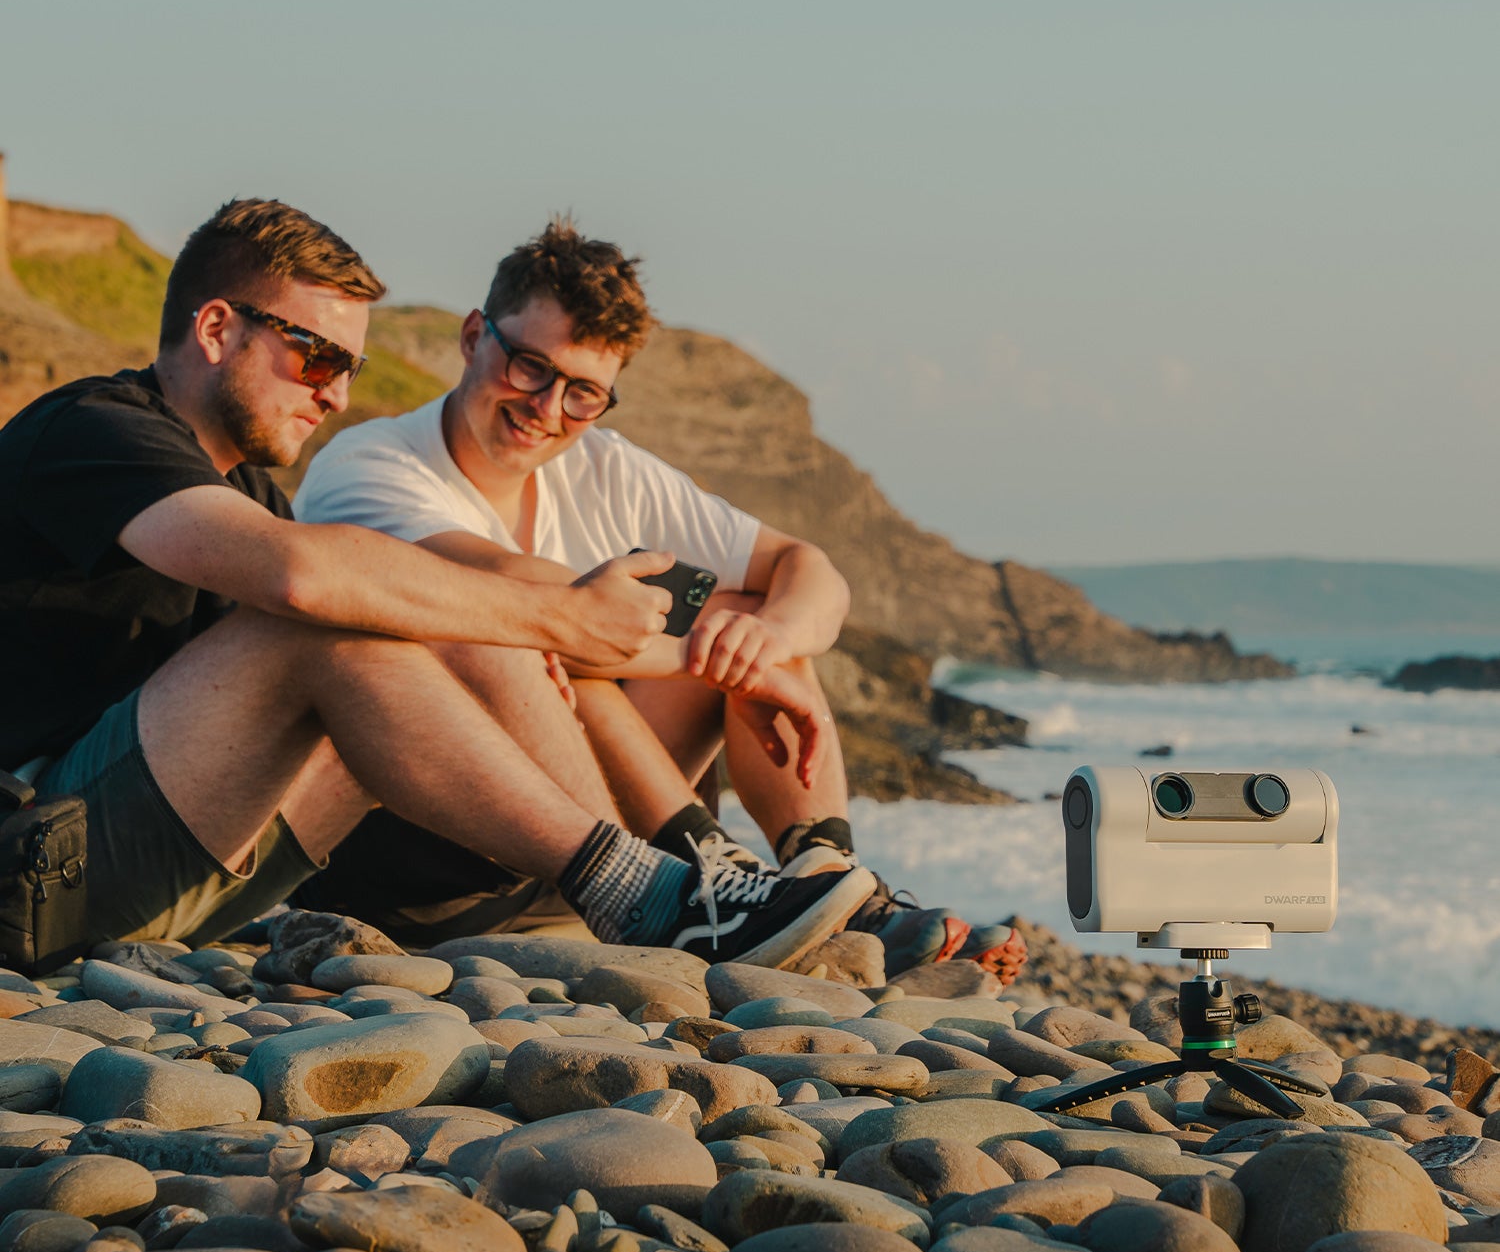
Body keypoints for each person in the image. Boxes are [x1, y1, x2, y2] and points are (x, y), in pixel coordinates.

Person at [0, 198, 877, 969]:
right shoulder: (92, 429)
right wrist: (564, 614)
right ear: (218, 328)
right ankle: (653, 891)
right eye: (314, 358)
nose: (337, 395)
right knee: (349, 613)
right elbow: (299, 576)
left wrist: (756, 648)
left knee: (414, 610)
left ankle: (715, 885)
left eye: (350, 368)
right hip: (33, 865)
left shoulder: (251, 494)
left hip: (173, 864)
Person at [294, 219, 1027, 984]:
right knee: (548, 643)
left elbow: (809, 571)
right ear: (475, 335)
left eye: (583, 393)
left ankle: (825, 884)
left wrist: (766, 640)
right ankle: (722, 881)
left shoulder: (607, 469)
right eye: (527, 367)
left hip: (593, 877)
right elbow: (522, 600)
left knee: (748, 614)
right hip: (414, 863)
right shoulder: (373, 466)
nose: (547, 408)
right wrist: (727, 658)